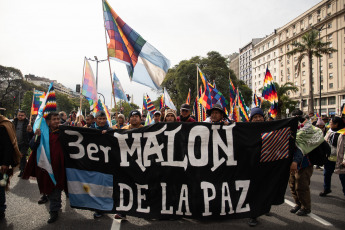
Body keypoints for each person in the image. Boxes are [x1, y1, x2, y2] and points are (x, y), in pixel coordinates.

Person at [22, 112, 67, 223]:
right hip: (46, 167)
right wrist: (35, 136)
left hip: (60, 167)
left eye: (58, 119)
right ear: (48, 122)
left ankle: (54, 210)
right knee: (50, 188)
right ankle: (54, 208)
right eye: (54, 119)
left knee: (57, 187)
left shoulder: (63, 132)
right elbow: (32, 146)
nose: (57, 121)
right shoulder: (41, 133)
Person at [289, 109, 321, 216]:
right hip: (292, 164)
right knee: (292, 185)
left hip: (304, 164)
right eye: (294, 117)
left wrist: (295, 161)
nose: (296, 119)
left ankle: (306, 207)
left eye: (298, 117)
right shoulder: (290, 128)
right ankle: (298, 204)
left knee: (301, 186)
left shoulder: (308, 129)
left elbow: (301, 147)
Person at [0, 114, 21, 221]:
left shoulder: (4, 126)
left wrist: (5, 163)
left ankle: (1, 210)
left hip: (1, 165)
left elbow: (8, 147)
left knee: (0, 187)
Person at [248, 107, 265, 227]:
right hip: (250, 166)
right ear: (251, 119)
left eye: (260, 116)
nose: (258, 119)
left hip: (266, 165)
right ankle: (253, 215)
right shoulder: (246, 130)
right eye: (255, 117)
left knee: (265, 189)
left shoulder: (272, 128)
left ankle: (264, 208)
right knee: (252, 191)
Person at [320, 117, 345, 197]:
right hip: (329, 157)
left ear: (336, 124)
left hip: (340, 159)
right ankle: (326, 189)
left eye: (330, 122)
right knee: (326, 174)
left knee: (343, 177)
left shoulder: (343, 133)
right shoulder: (329, 131)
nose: (329, 123)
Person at [13, 110, 32, 177]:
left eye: (22, 115)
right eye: (19, 115)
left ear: (25, 116)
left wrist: (30, 130)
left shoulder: (28, 123)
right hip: (15, 143)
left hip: (24, 143)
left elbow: (32, 133)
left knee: (22, 156)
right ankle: (25, 168)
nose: (20, 116)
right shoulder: (14, 122)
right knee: (17, 157)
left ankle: (23, 171)